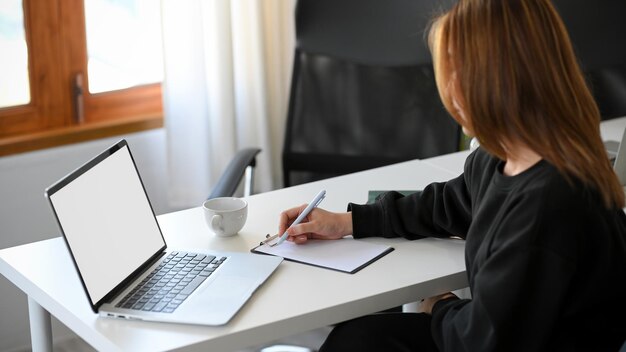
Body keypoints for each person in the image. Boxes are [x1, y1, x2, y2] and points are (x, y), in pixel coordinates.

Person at [277, 0, 626, 350]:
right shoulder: (501, 156)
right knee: (357, 337)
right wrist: (347, 221)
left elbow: (484, 340)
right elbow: (444, 205)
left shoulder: (547, 206)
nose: (449, 96)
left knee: (358, 342)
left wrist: (440, 307)